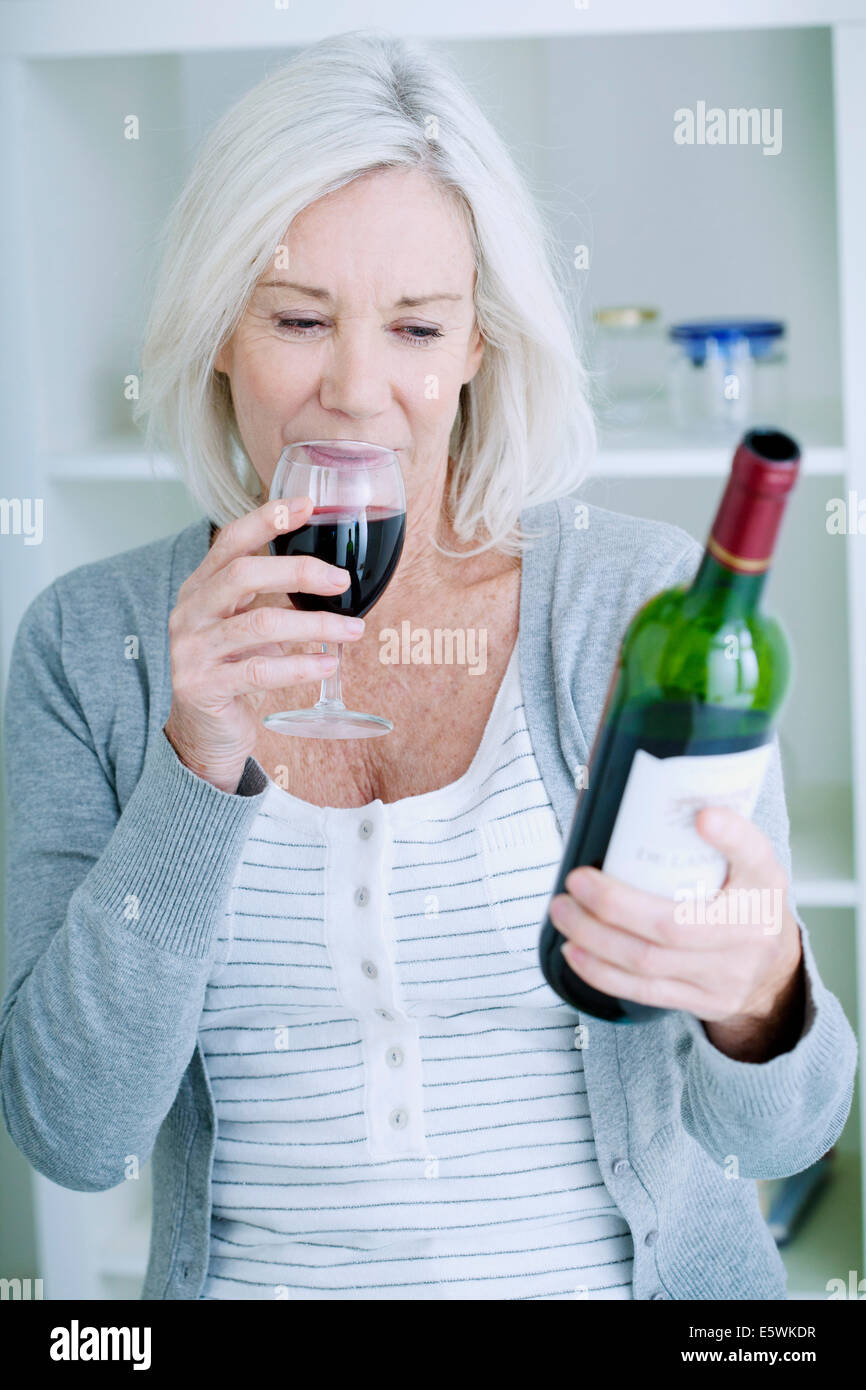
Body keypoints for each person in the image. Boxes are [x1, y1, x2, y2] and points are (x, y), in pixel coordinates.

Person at [0, 29, 855, 1301]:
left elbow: (778, 1135)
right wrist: (196, 756)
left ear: (475, 346)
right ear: (218, 330)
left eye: (415, 326)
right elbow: (74, 1134)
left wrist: (760, 996)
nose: (357, 390)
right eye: (298, 318)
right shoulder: (89, 643)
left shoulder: (636, 603)